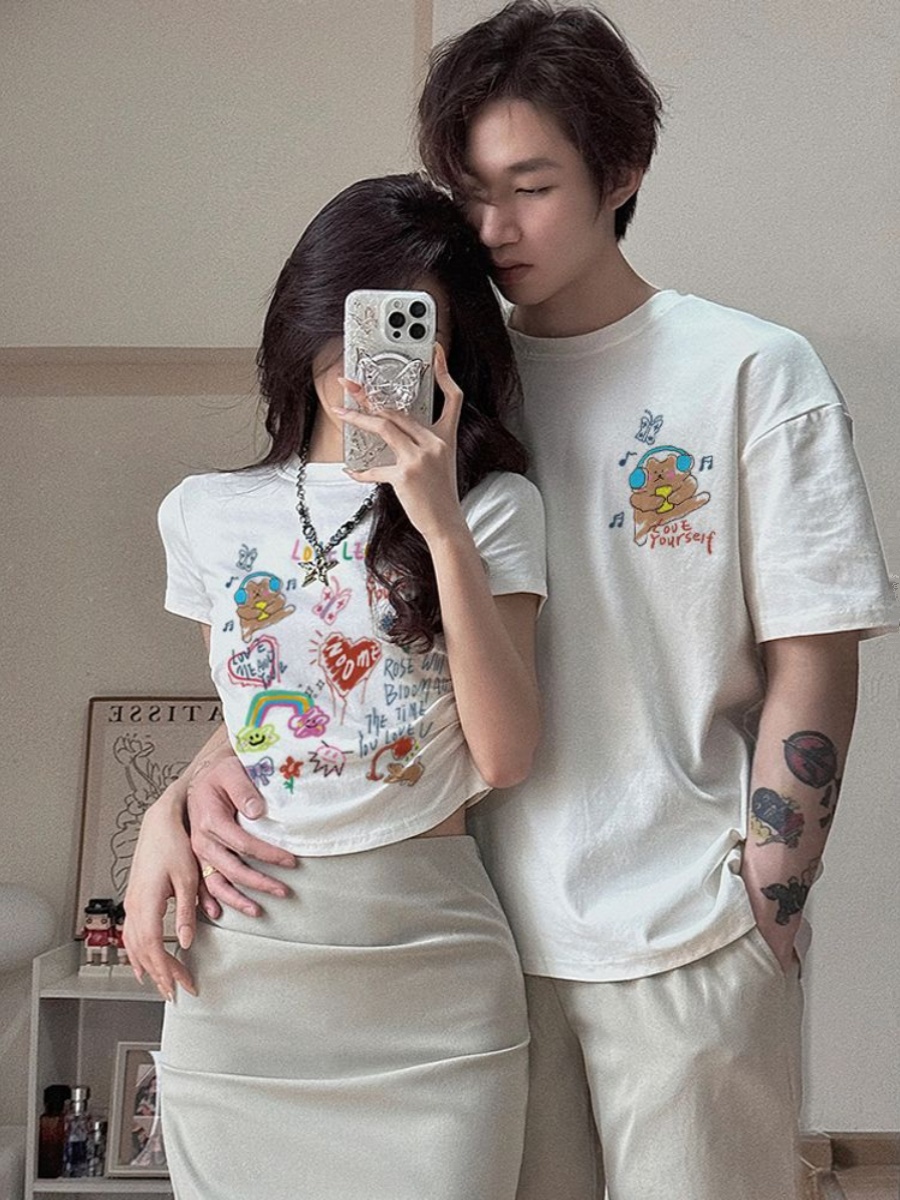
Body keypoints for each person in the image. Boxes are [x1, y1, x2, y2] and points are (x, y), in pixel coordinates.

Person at [127, 4, 898, 1199]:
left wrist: (771, 892)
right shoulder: (447, 381)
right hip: (471, 933)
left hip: (684, 933)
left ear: (620, 172)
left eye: (531, 187)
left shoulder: (750, 370)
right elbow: (334, 641)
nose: (493, 228)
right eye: (472, 192)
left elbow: (815, 651)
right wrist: (178, 797)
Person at [124, 171, 547, 1200]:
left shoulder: (495, 510)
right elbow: (255, 722)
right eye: (354, 323)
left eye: (405, 331)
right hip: (244, 972)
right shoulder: (203, 513)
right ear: (306, 316)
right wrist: (163, 814)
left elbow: (504, 755)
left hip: (430, 974)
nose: (367, 366)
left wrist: (439, 522)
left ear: (449, 352)